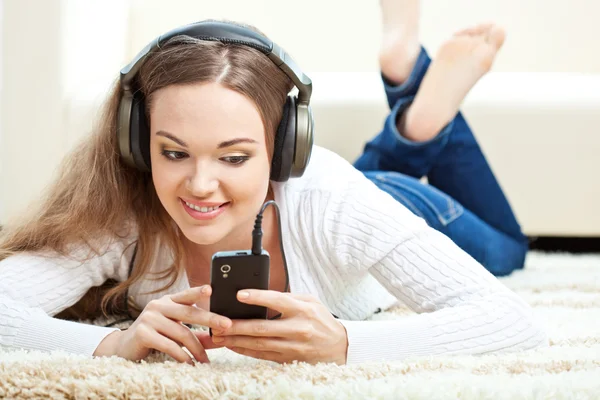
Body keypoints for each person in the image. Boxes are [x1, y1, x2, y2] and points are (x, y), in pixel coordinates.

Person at [0, 3, 546, 366]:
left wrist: (345, 344)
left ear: (285, 148)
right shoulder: (127, 207)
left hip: (393, 198)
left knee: (508, 246)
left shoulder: (332, 200)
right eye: (174, 152)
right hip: (326, 191)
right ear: (136, 142)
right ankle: (412, 119)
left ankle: (416, 121)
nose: (200, 184)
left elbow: (510, 321)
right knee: (338, 177)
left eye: (233, 157)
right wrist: (111, 344)